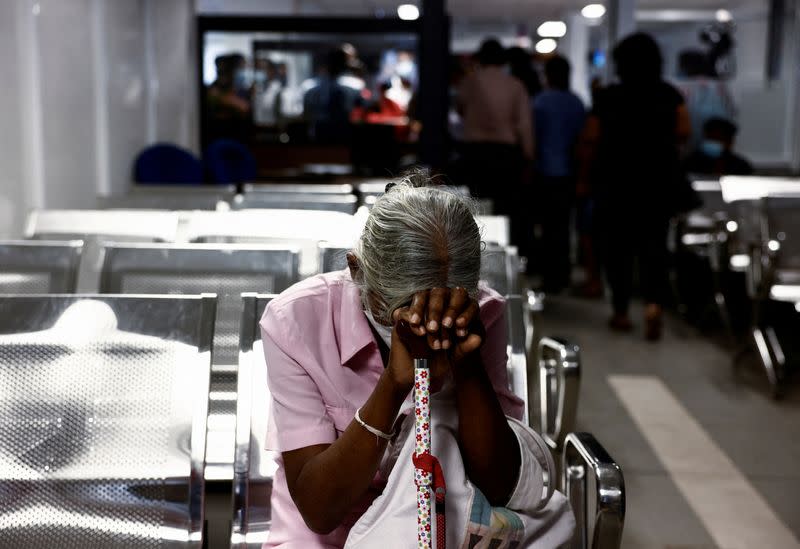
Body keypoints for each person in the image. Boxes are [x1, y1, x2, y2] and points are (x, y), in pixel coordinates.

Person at [260, 174, 572, 547]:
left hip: (443, 526)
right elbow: (320, 511)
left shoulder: (482, 311)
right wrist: (394, 386)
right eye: (404, 309)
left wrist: (467, 365)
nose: (426, 325)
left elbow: (501, 485)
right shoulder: (295, 320)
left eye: (446, 310)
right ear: (358, 272)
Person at [580, 33, 691, 340]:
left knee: (618, 249)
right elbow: (684, 130)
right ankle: (654, 304)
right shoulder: (670, 95)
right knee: (654, 247)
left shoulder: (608, 97)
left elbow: (590, 138)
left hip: (616, 183)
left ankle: (621, 311)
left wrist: (585, 179)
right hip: (657, 183)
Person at [457, 39, 534, 248]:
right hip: (505, 154)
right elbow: (523, 125)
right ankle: (506, 261)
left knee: (477, 211)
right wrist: (528, 157)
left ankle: (476, 256)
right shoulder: (514, 85)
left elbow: (460, 110)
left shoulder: (469, 82)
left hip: (475, 154)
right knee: (506, 210)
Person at [533, 56, 586, 292]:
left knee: (547, 227)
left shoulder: (540, 103)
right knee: (564, 227)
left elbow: (533, 139)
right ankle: (563, 276)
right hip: (569, 174)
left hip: (545, 173)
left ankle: (549, 277)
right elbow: (582, 142)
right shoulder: (577, 103)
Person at [675, 50, 736, 151]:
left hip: (694, 137)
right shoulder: (719, 85)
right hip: (718, 137)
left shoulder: (684, 87)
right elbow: (731, 110)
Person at [684, 117, 753, 176]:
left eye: (720, 139)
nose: (715, 143)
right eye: (713, 138)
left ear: (729, 141)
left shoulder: (740, 166)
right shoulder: (691, 163)